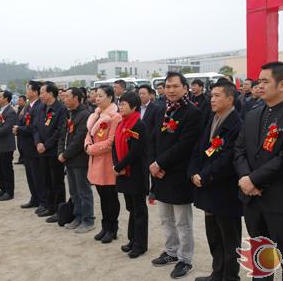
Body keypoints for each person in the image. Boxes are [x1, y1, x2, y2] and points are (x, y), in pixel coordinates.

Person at [233, 62, 283, 281]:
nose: (260, 85)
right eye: (259, 81)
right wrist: (246, 179)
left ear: (282, 84)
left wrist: (254, 179)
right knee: (260, 254)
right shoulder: (253, 114)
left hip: (278, 199)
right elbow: (239, 150)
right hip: (251, 199)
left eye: (265, 81)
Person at [149, 71, 202, 279]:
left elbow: (185, 145)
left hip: (178, 174)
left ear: (185, 88)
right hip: (159, 173)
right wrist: (152, 163)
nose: (170, 90)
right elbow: (152, 138)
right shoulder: (161, 108)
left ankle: (185, 259)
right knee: (165, 218)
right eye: (167, 86)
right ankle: (171, 252)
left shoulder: (192, 113)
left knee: (182, 221)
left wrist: (159, 163)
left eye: (175, 86)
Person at [188, 79, 242, 281]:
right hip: (207, 187)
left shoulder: (236, 124)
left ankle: (230, 276)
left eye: (217, 96)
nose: (212, 99)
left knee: (229, 237)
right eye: (211, 95)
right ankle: (216, 273)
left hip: (224, 190)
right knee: (213, 235)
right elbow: (199, 148)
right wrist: (194, 172)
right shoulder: (212, 118)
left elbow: (228, 158)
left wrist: (204, 175)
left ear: (230, 99)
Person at [112, 91, 149, 259]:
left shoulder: (138, 125)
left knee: (139, 209)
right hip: (123, 172)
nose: (120, 107)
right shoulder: (121, 123)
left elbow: (135, 151)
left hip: (135, 173)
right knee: (130, 208)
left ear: (134, 107)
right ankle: (132, 239)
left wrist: (120, 166)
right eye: (119, 104)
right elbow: (114, 146)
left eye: (124, 104)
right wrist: (116, 165)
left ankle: (140, 244)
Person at [85, 85, 122, 244]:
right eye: (96, 96)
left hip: (107, 162)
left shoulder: (115, 116)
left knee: (110, 196)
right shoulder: (96, 115)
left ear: (110, 97)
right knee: (102, 196)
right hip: (95, 160)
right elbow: (89, 134)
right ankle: (105, 226)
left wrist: (92, 149)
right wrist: (87, 145)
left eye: (100, 96)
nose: (97, 99)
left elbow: (111, 142)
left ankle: (112, 229)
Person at [58, 87, 95, 233]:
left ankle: (88, 220)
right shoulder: (70, 114)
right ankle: (78, 217)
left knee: (83, 191)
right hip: (69, 160)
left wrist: (65, 154)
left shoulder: (85, 115)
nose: (64, 99)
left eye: (67, 96)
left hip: (80, 160)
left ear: (77, 99)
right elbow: (63, 135)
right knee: (74, 191)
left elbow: (80, 140)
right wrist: (61, 151)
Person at [34, 82, 67, 222]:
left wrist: (46, 145)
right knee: (46, 179)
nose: (40, 95)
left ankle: (59, 209)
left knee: (57, 181)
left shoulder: (60, 109)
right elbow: (35, 127)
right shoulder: (41, 108)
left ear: (51, 93)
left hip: (53, 151)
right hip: (42, 150)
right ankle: (49, 206)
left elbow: (60, 130)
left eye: (42, 92)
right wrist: (38, 143)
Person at [14, 81, 45, 211]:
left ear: (35, 92)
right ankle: (34, 198)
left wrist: (19, 129)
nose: (26, 92)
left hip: (34, 146)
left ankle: (42, 201)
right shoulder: (28, 106)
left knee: (38, 176)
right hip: (26, 146)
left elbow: (34, 127)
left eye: (28, 89)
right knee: (30, 175)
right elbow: (22, 122)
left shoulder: (39, 106)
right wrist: (18, 128)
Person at [0, 91, 17, 200]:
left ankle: (9, 192)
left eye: (0, 97)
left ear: (6, 99)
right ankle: (2, 188)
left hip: (5, 144)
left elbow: (7, 127)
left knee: (6, 169)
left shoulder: (11, 112)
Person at [15, 95, 27, 164]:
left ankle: (23, 159)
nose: (18, 102)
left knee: (22, 146)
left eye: (20, 100)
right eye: (18, 100)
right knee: (19, 145)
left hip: (23, 129)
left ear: (24, 101)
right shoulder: (19, 108)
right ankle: (21, 159)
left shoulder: (26, 109)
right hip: (18, 129)